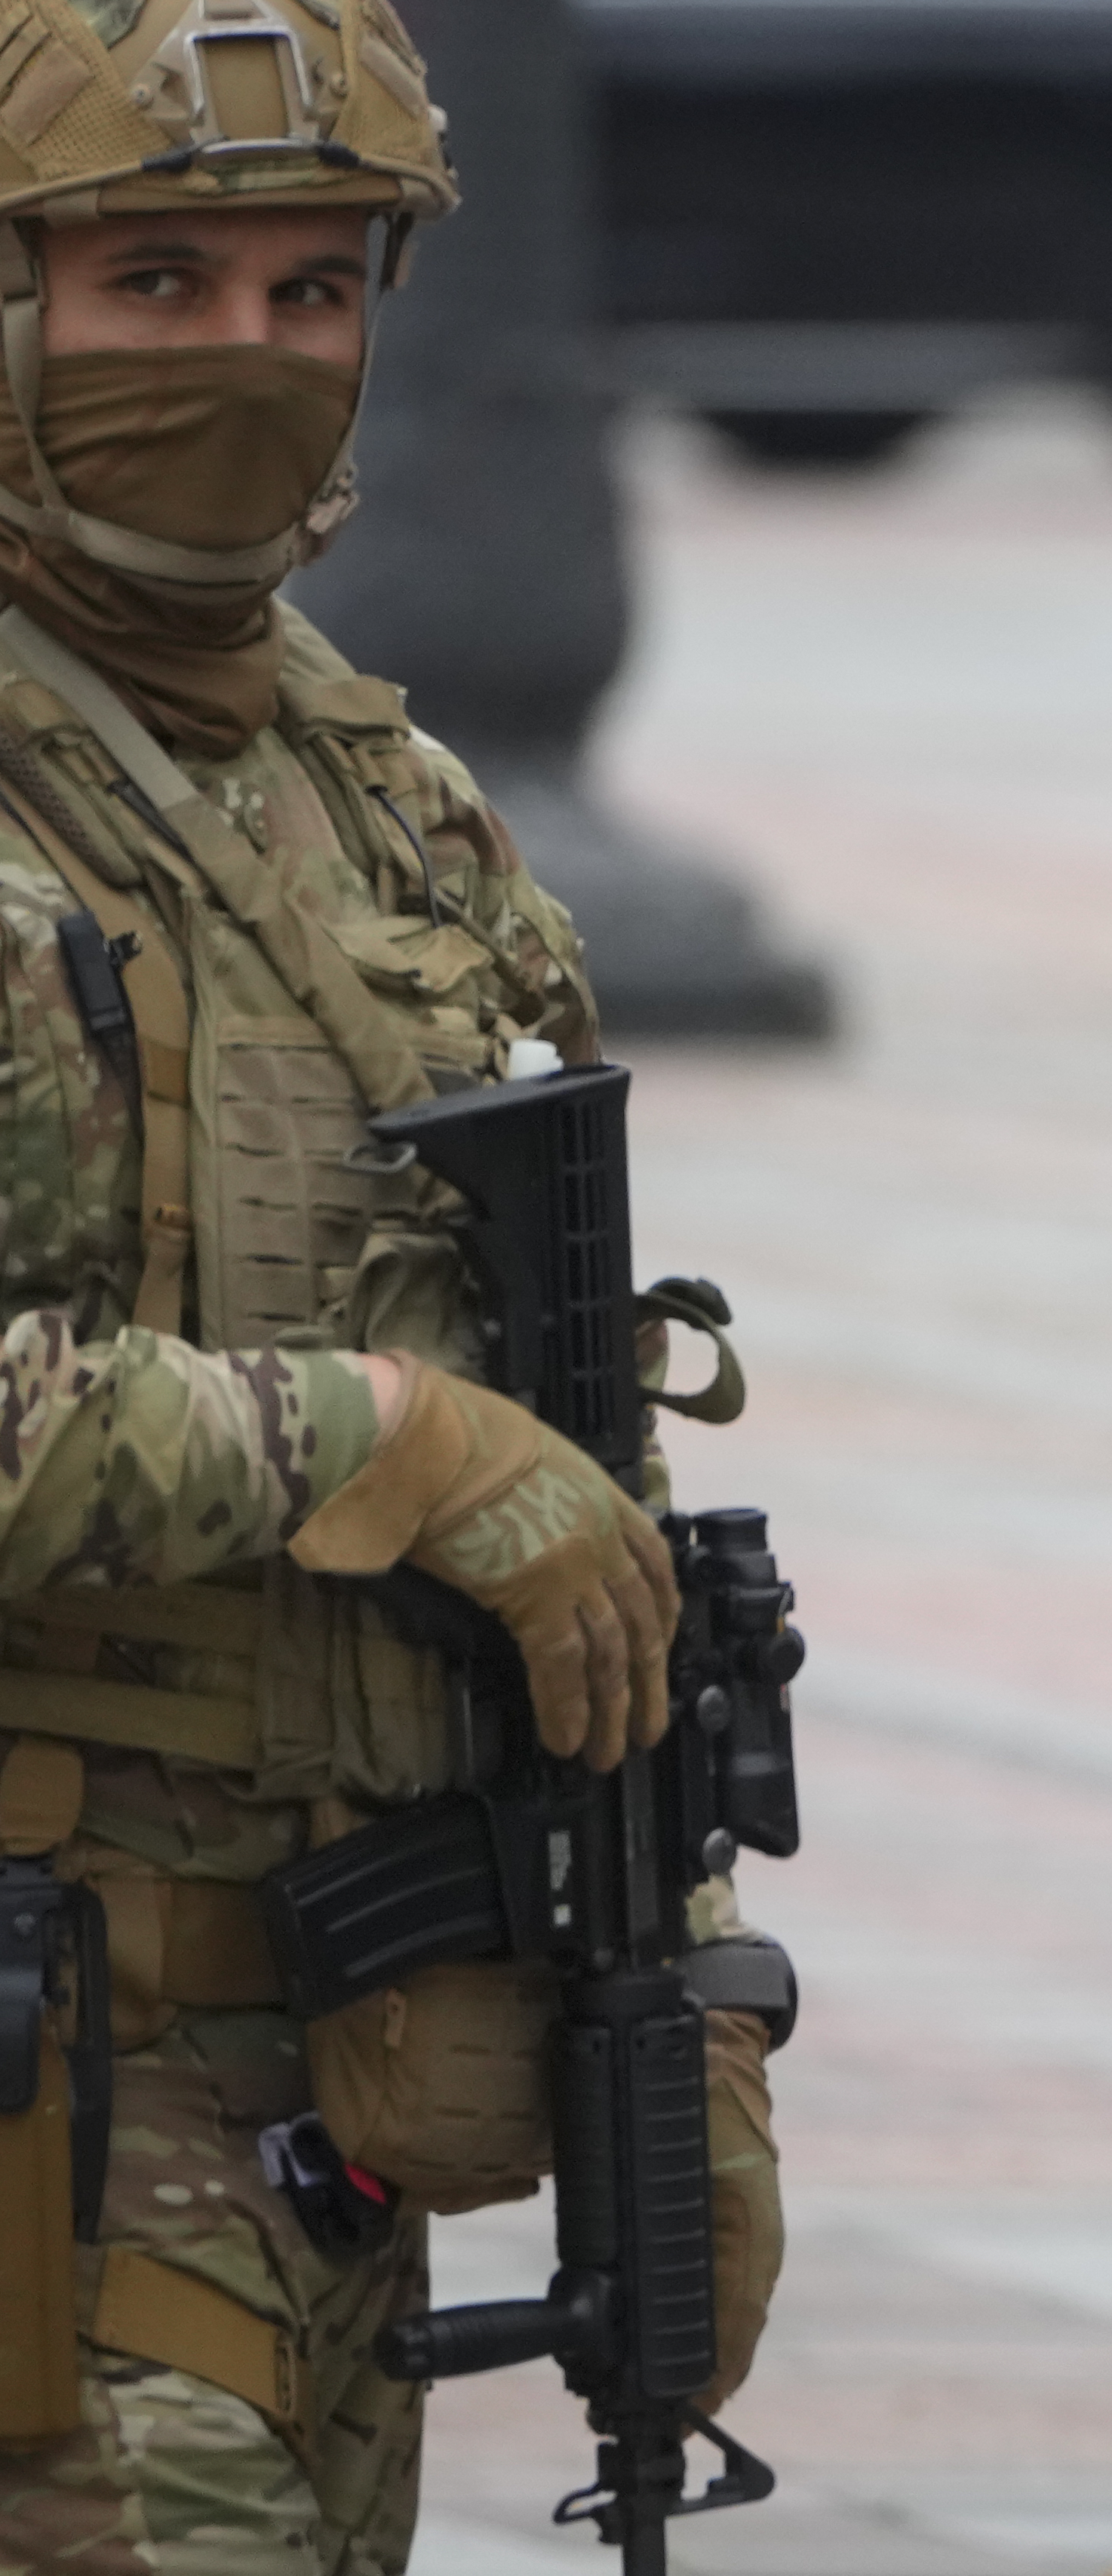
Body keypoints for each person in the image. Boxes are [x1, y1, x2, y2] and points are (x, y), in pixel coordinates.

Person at [0, 1, 786, 2565]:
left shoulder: (385, 803)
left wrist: (693, 2004)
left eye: (310, 294)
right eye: (155, 280)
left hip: (335, 2087)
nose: (244, 358)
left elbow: (585, 1437)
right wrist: (393, 1450)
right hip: (50, 2081)